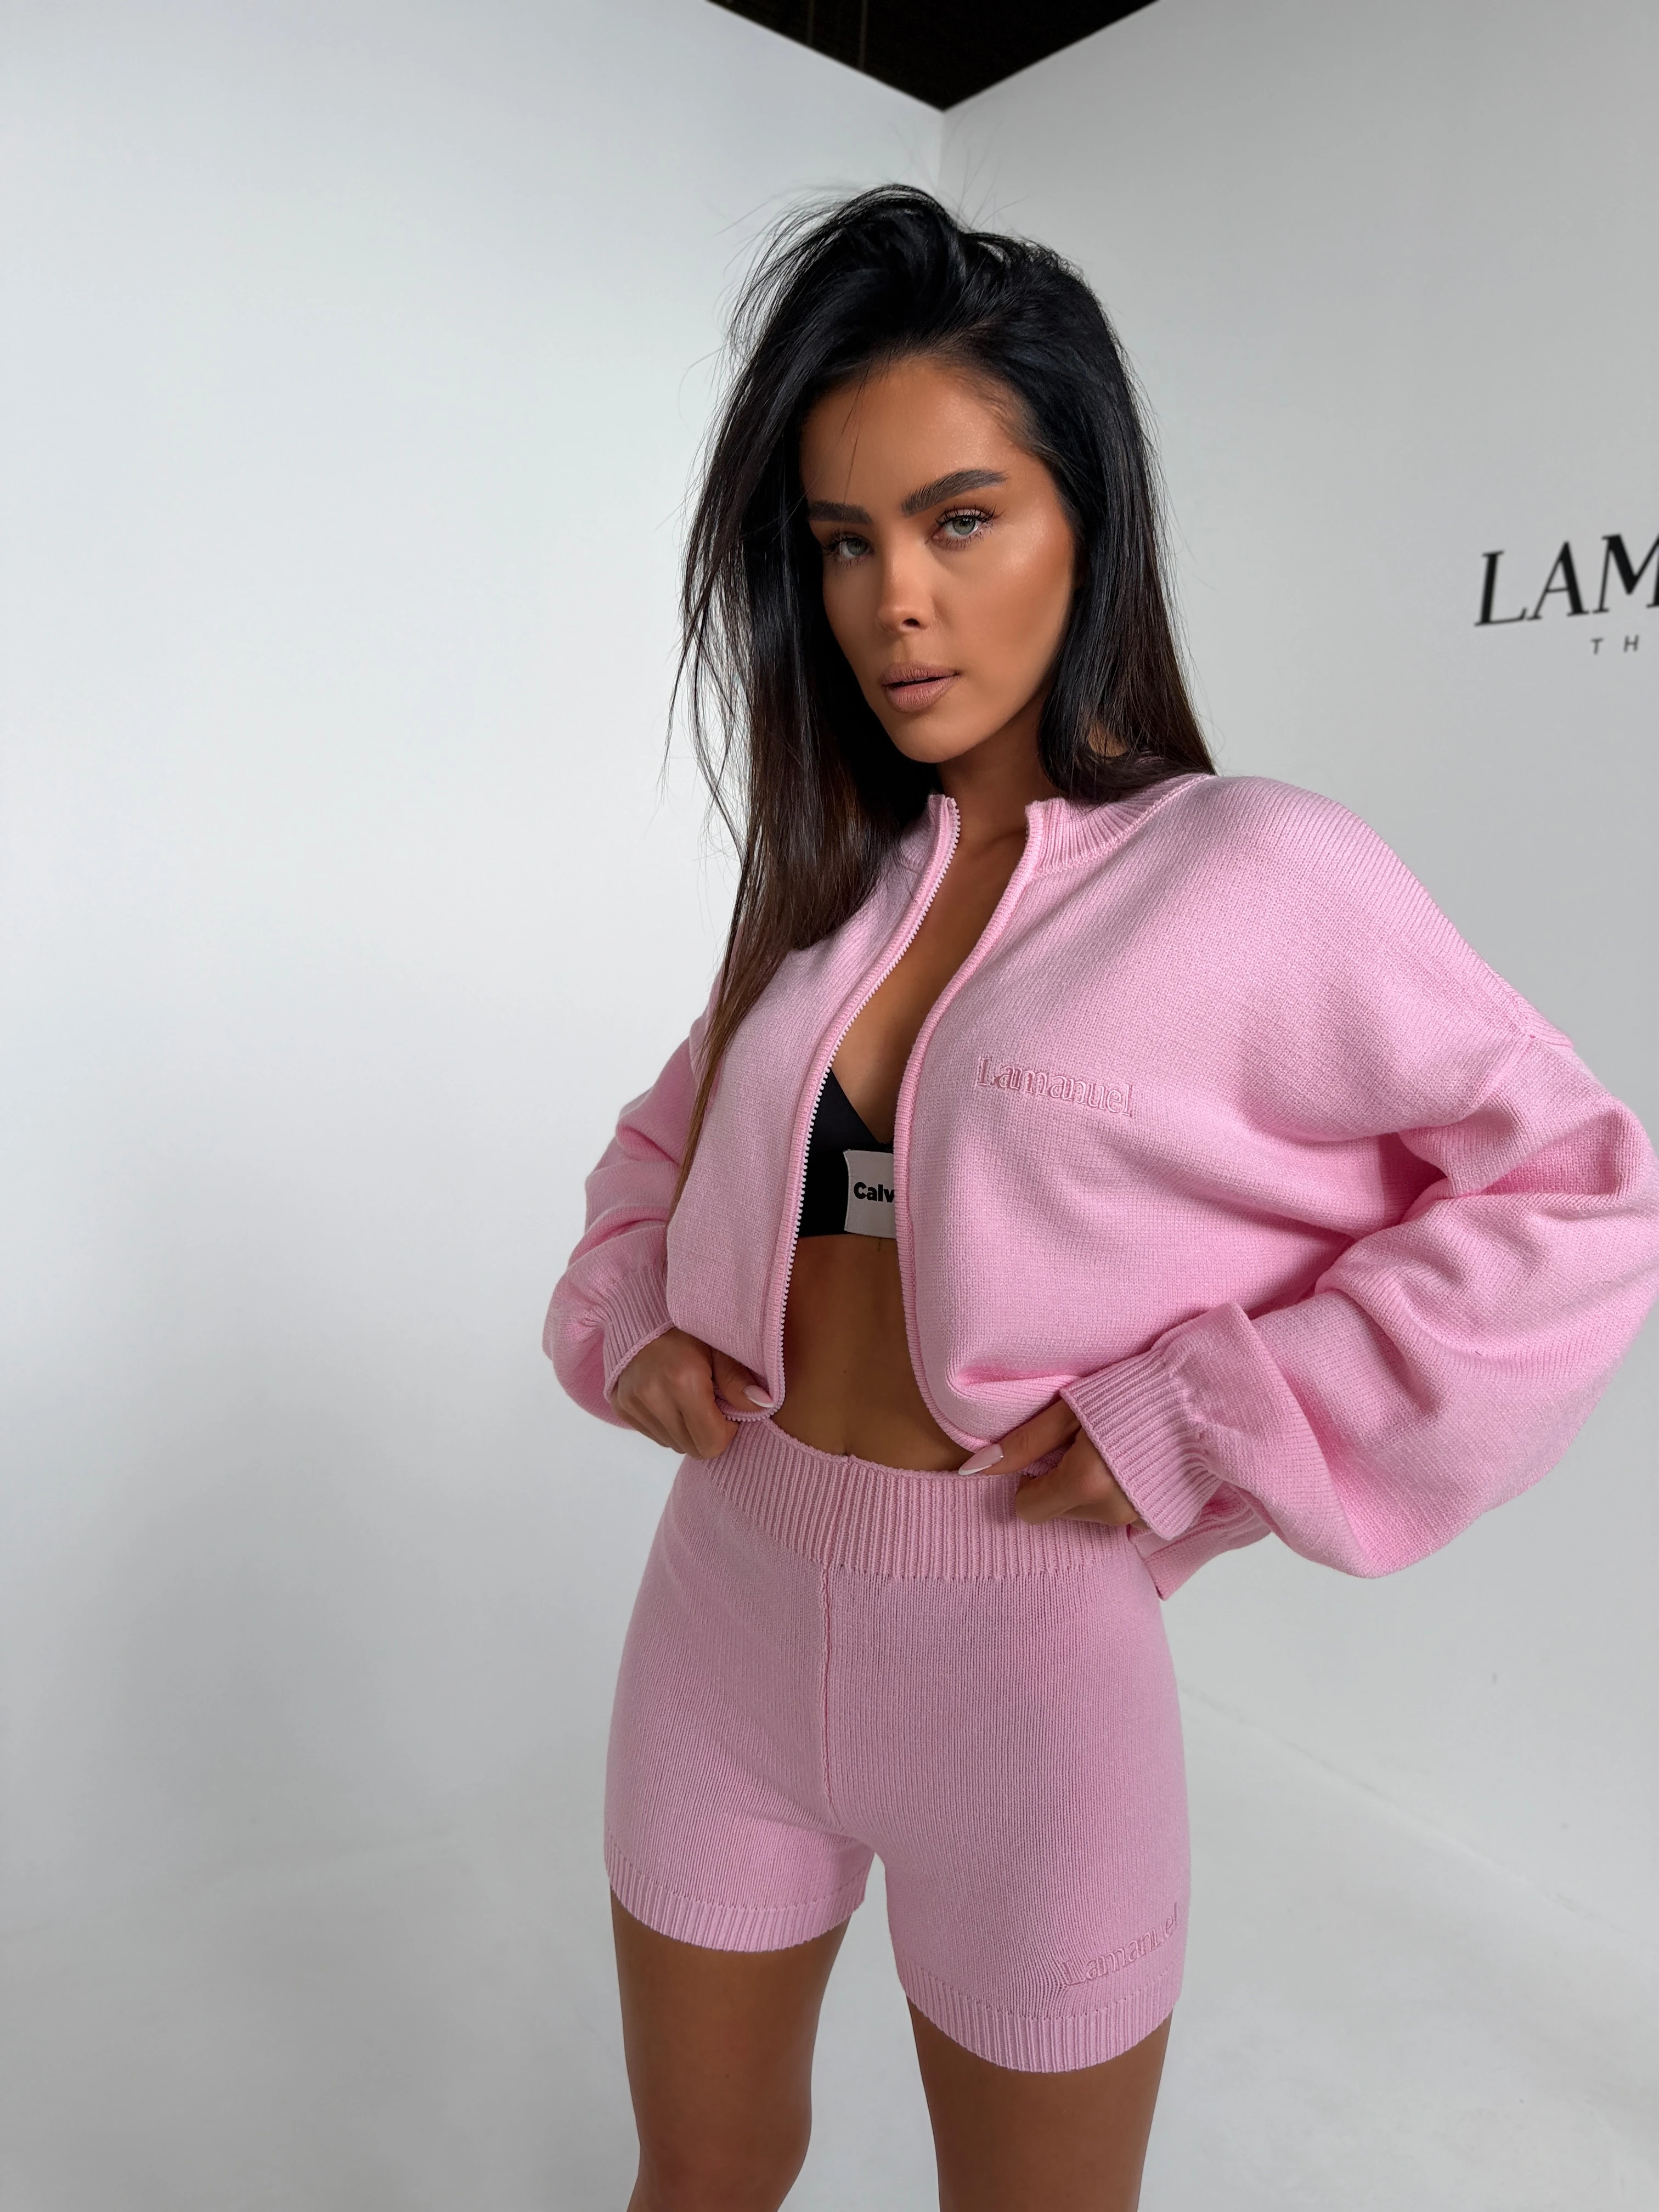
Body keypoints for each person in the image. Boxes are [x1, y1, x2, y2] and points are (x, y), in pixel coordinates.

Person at [544, 187, 1659, 2212]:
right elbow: (660, 1153)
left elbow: (1583, 1188)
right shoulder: (832, 890)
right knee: (696, 2174)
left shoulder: (1254, 874)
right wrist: (633, 1323)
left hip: (1026, 1668)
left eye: (961, 519)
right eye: (844, 542)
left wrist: (1207, 1409)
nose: (896, 602)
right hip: (723, 1605)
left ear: (1089, 521)